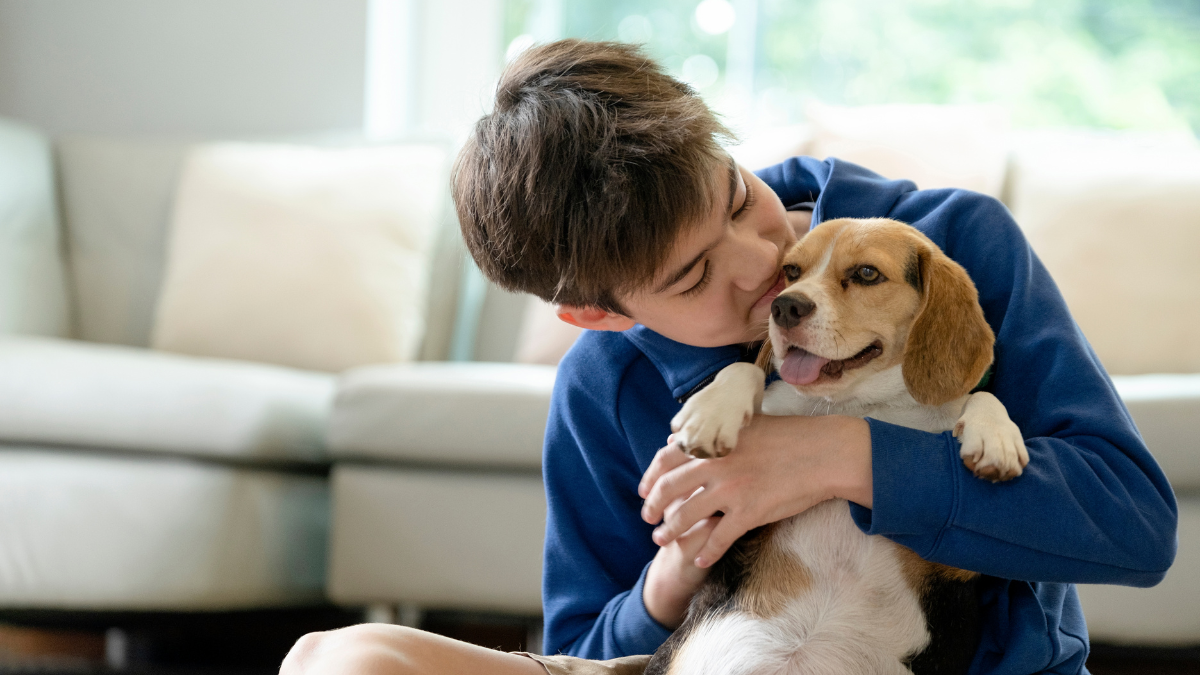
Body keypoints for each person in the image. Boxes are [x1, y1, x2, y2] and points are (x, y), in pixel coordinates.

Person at [280, 39, 1177, 675]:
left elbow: (1136, 526)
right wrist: (676, 567)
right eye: (696, 272)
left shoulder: (952, 242)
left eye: (738, 198)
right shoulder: (603, 386)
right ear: (598, 313)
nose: (763, 271)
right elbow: (587, 644)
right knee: (337, 656)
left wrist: (837, 458)